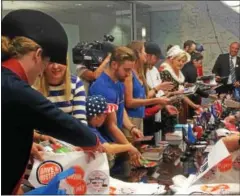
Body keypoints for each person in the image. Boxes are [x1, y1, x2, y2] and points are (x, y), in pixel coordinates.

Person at [1, 9, 103, 195]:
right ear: (37, 55)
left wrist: (28, 144)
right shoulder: (14, 87)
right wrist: (94, 141)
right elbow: (58, 120)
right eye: (45, 65)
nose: (41, 72)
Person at [89, 46, 144, 166]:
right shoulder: (102, 88)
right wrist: (128, 147)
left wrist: (131, 127)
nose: (129, 74)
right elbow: (111, 126)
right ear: (114, 64)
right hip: (105, 146)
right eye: (126, 70)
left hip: (115, 143)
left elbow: (120, 106)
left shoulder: (118, 82)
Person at [123, 41, 171, 137]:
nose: (145, 54)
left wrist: (158, 89)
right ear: (137, 53)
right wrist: (157, 100)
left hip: (139, 117)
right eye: (144, 51)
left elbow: (145, 96)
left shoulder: (139, 73)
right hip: (131, 119)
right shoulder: (129, 74)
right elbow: (129, 102)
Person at [86, 95, 141, 167]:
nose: (106, 117)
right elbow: (107, 148)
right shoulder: (89, 129)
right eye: (105, 114)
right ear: (96, 117)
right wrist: (129, 147)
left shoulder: (91, 126)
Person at [160, 45, 200, 134]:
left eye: (183, 61)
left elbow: (181, 95)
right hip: (167, 111)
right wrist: (177, 92)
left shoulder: (178, 73)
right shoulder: (165, 73)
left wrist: (194, 105)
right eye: (179, 60)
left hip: (177, 109)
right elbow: (163, 94)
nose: (181, 63)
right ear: (172, 60)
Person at [182, 52, 217, 117]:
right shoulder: (192, 70)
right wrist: (208, 95)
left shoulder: (187, 66)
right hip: (188, 100)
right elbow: (194, 88)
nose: (200, 65)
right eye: (200, 63)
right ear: (195, 61)